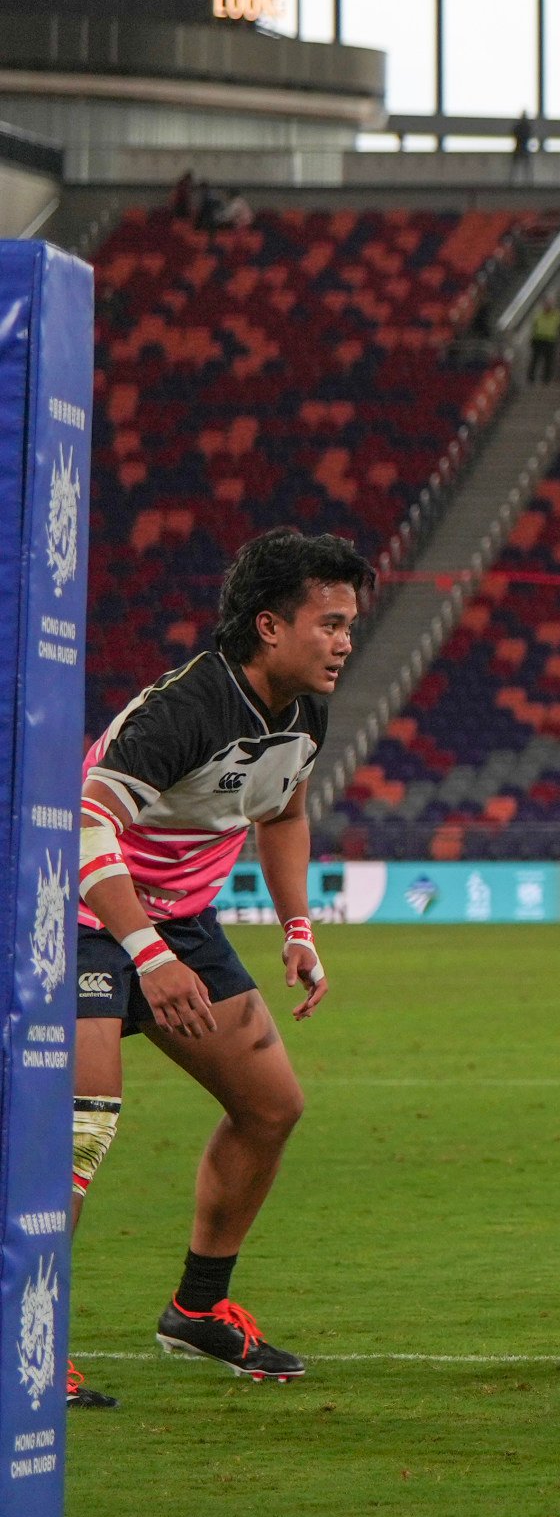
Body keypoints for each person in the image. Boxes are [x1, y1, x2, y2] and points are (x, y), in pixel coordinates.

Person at [67, 530, 371, 1403]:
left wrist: (298, 927)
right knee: (77, 1136)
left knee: (270, 1106)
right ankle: (25, 1345)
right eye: (331, 623)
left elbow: (282, 816)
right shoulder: (186, 707)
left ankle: (197, 1312)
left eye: (351, 623)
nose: (346, 641)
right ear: (270, 626)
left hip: (182, 926)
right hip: (82, 915)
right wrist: (145, 954)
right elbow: (86, 827)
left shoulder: (305, 709)